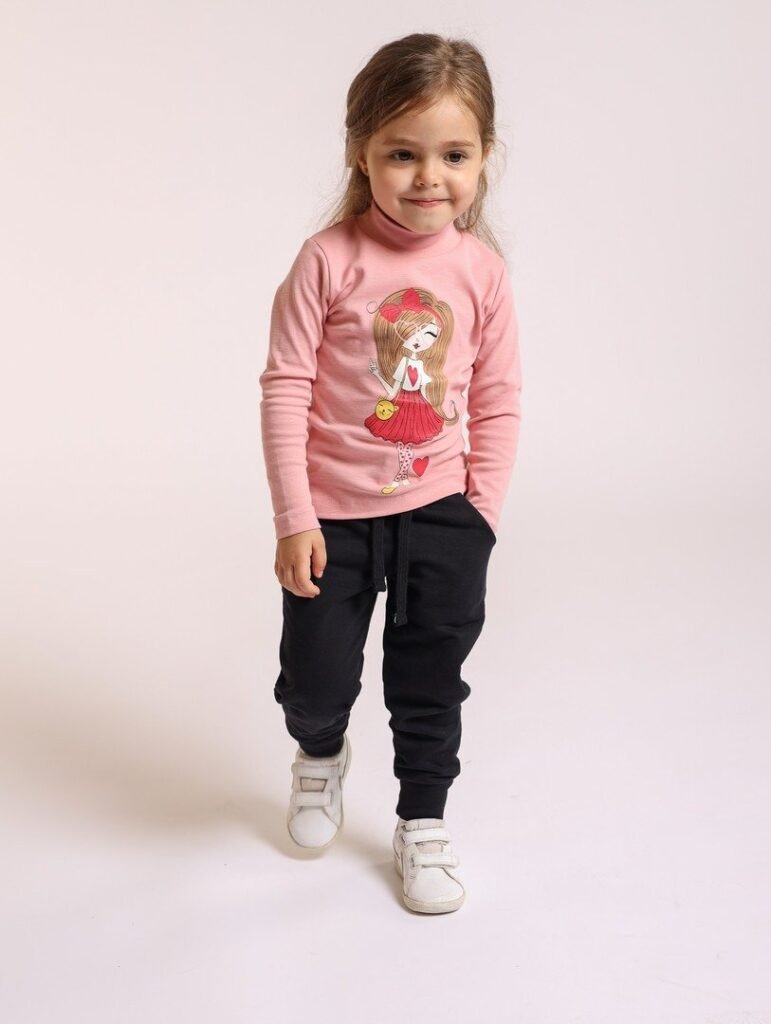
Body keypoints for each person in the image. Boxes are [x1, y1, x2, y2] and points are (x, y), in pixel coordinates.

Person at [258, 32, 523, 914]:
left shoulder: (482, 273)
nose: (427, 177)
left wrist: (479, 513)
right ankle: (319, 754)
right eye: (402, 154)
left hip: (442, 512)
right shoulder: (327, 261)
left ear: (483, 157)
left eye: (453, 155)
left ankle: (423, 819)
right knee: (314, 680)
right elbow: (285, 387)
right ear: (360, 152)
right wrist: (295, 516)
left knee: (430, 680)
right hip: (331, 518)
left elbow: (498, 398)